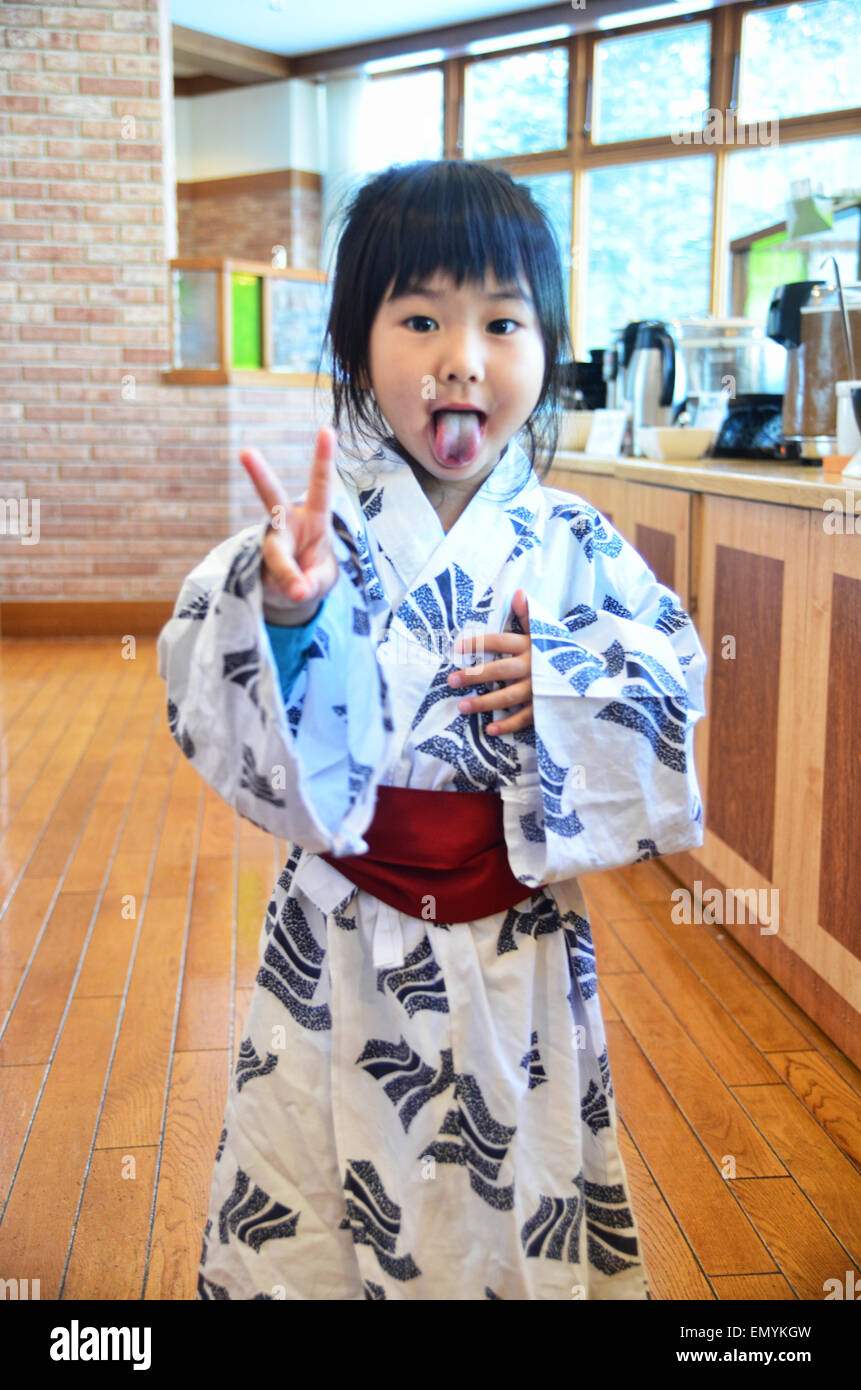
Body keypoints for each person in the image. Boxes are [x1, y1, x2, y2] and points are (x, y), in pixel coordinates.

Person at [157, 159, 707, 1301]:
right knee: (314, 1167)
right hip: (341, 926)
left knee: (515, 1170)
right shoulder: (317, 530)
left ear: (548, 351)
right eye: (420, 318)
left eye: (502, 322)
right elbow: (207, 661)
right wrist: (294, 612)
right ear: (360, 344)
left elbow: (672, 680)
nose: (462, 355)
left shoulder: (576, 540)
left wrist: (559, 681)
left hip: (517, 931)